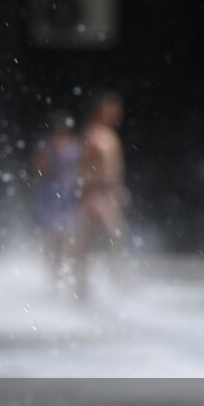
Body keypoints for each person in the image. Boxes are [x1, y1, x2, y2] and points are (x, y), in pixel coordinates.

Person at [74, 92, 127, 299]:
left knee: (113, 235)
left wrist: (116, 187)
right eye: (110, 110)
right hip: (95, 191)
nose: (115, 114)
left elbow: (114, 166)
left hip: (107, 191)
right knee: (105, 235)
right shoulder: (93, 134)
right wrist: (85, 187)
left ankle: (113, 281)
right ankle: (82, 283)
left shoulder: (109, 134)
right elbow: (83, 163)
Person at [34, 111, 81, 292]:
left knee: (67, 233)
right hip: (50, 194)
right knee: (53, 235)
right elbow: (39, 168)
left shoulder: (74, 146)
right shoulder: (47, 145)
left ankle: (63, 272)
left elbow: (81, 167)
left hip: (67, 194)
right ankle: (52, 273)